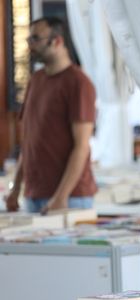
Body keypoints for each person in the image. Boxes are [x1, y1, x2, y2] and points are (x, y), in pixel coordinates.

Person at [4, 17, 97, 213]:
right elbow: (28, 143)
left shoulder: (78, 83)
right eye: (29, 39)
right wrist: (15, 188)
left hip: (71, 198)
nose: (30, 44)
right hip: (33, 195)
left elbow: (81, 146)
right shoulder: (35, 80)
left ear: (57, 41)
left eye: (35, 38)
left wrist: (61, 196)